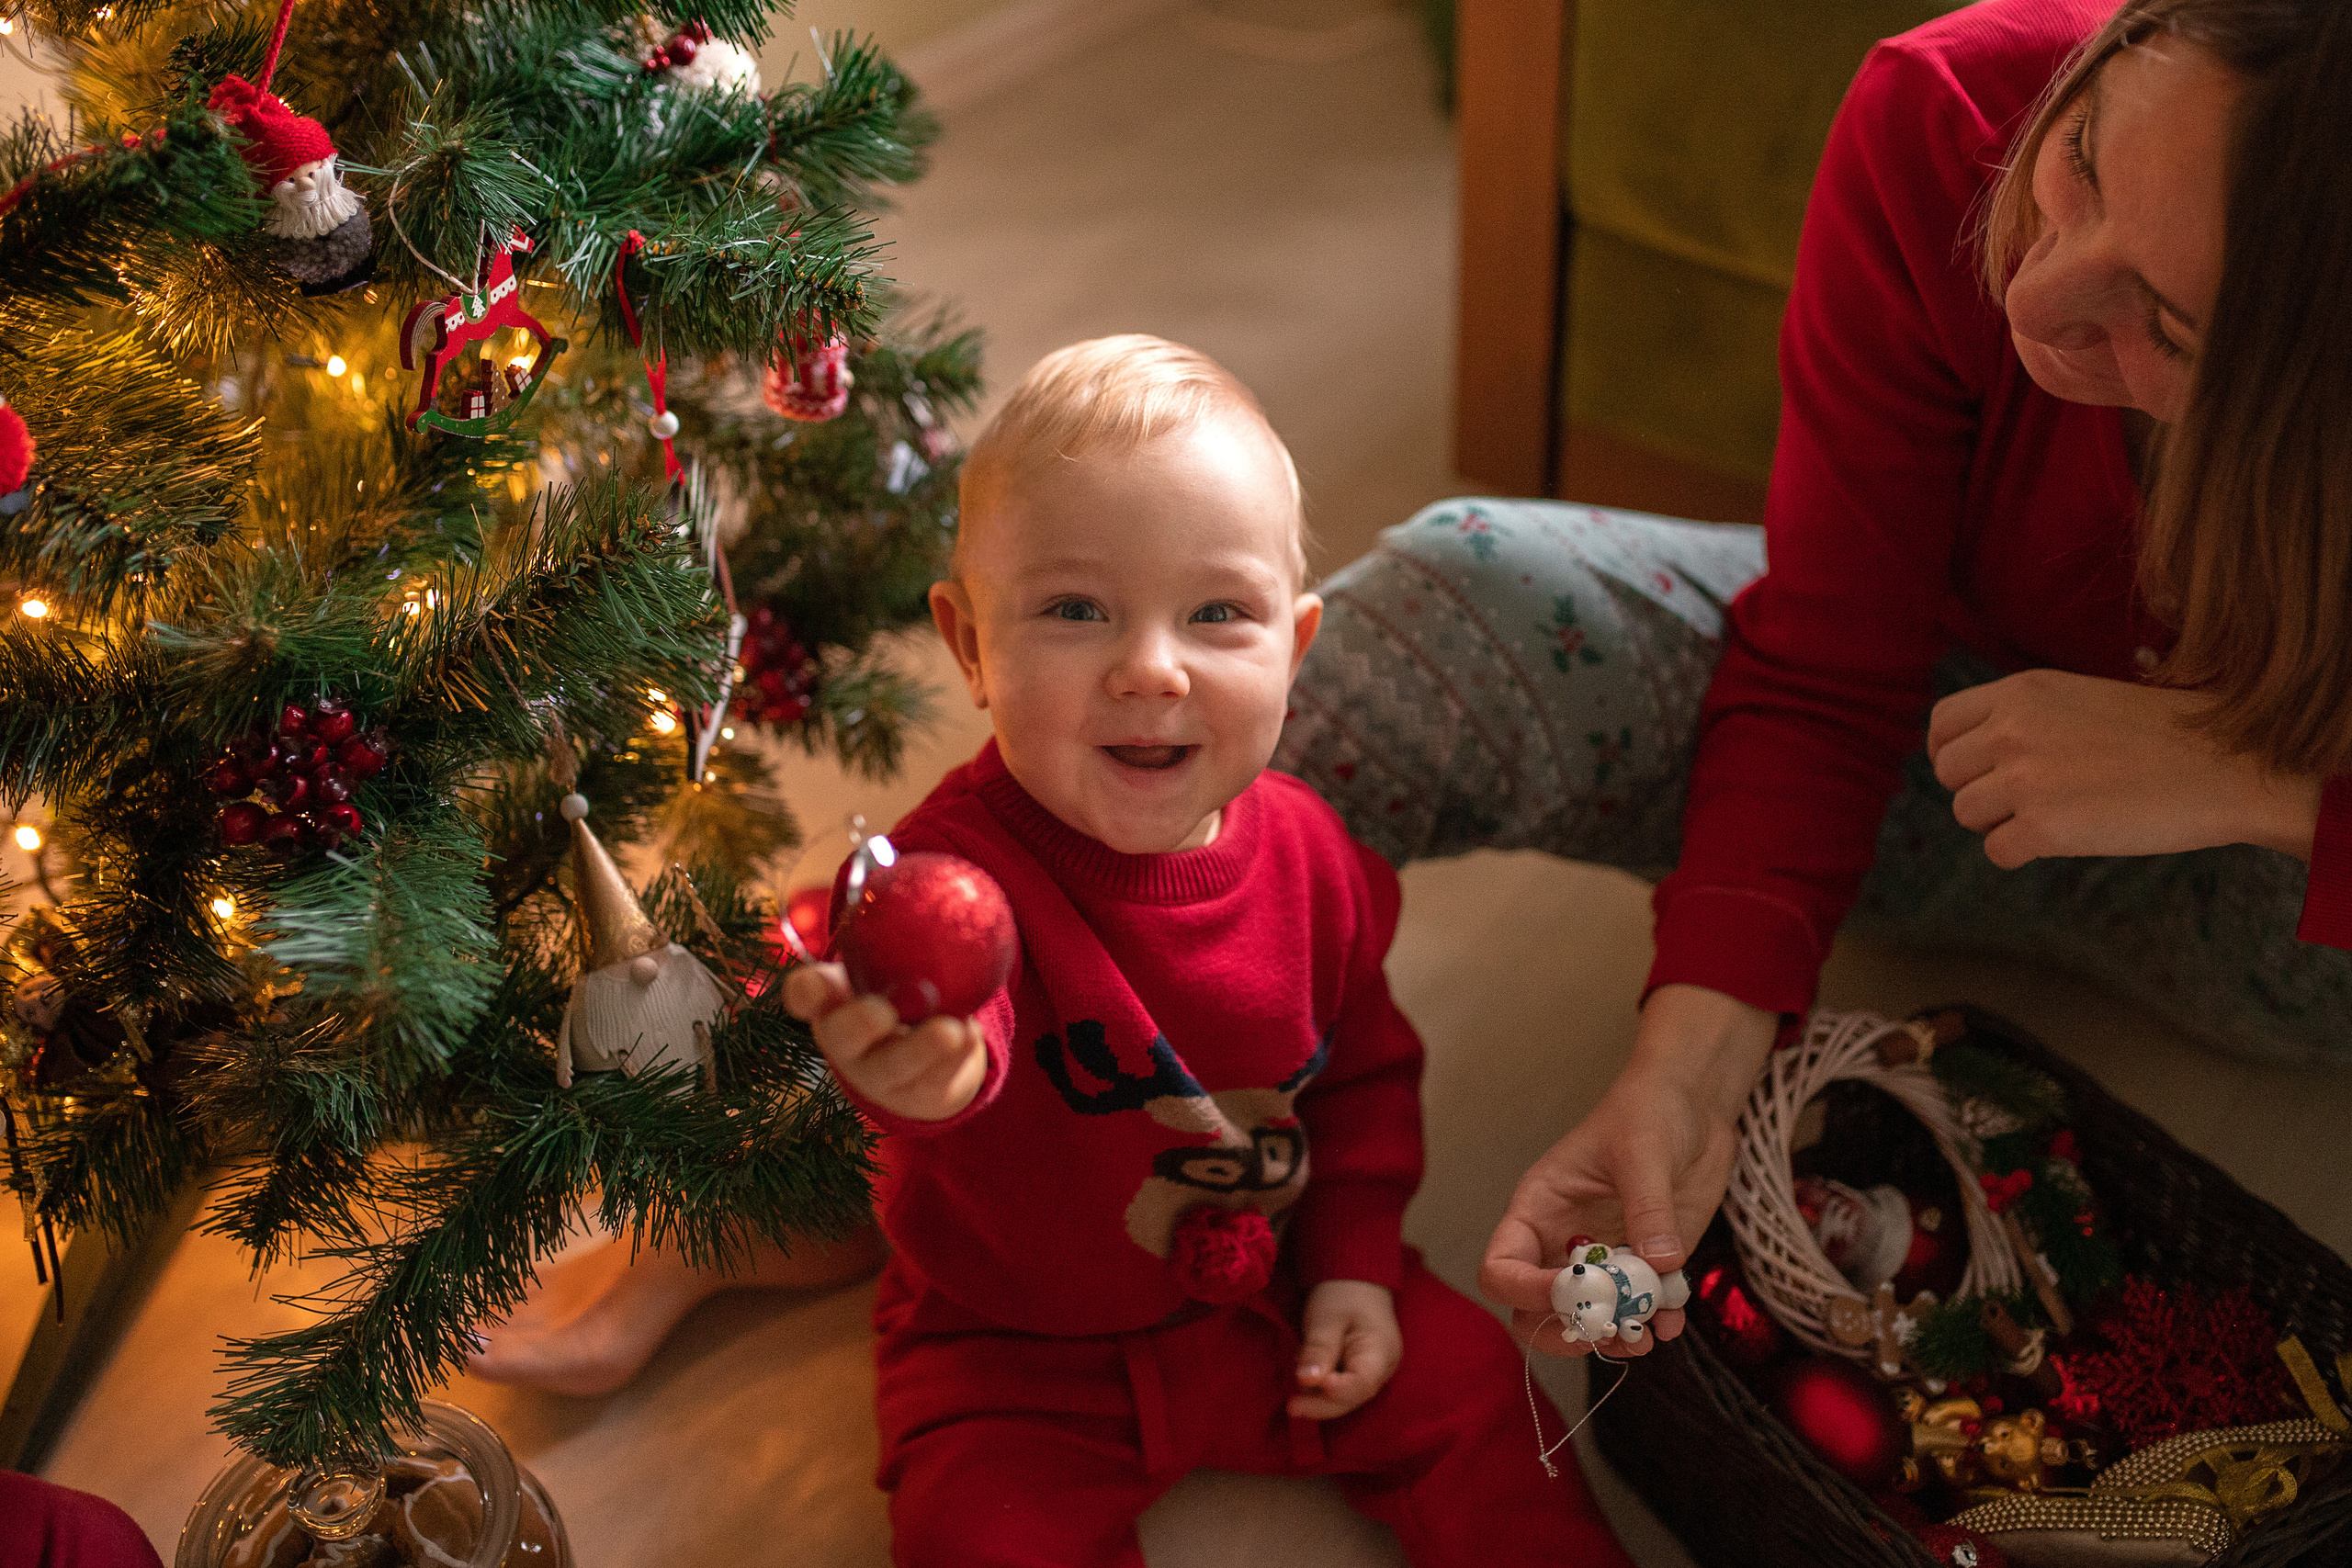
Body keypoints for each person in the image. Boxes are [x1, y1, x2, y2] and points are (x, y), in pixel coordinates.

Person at [1268, 0, 2352, 1359]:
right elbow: (1833, 658)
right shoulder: (1952, 108)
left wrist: (2259, 782)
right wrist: (1691, 1071)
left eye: (2172, 332)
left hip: (2293, 917)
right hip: (1946, 738)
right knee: (1462, 595)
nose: (2032, 298)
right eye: (2079, 160)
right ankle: (1059, 1031)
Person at [780, 336, 1634, 1567]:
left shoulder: (1314, 857)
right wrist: (928, 1072)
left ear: (1295, 646)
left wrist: (1352, 1269)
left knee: (1479, 1394)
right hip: (1012, 1343)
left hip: (1278, 1278)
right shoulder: (948, 878)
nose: (1151, 669)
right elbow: (963, 1032)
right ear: (970, 649)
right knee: (975, 1534)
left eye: (1218, 614)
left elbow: (1362, 1077)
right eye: (1075, 611)